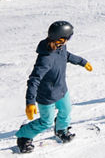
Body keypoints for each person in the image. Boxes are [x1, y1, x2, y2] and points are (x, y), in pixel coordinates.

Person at [15, 21, 92, 154]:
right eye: (69, 37)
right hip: (47, 96)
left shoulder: (60, 48)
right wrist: (30, 102)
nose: (69, 40)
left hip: (61, 89)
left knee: (66, 111)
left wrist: (82, 62)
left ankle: (61, 129)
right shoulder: (45, 58)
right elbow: (34, 80)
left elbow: (66, 56)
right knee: (46, 122)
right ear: (61, 39)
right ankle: (24, 136)